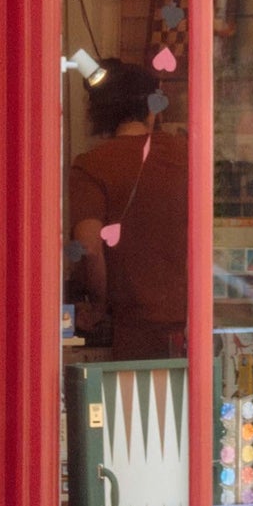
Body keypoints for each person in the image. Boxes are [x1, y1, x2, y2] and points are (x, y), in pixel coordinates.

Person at [68, 61, 187, 359]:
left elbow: (88, 245)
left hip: (134, 328)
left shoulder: (92, 165)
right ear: (152, 109)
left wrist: (97, 304)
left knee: (137, 404)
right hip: (192, 321)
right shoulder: (186, 154)